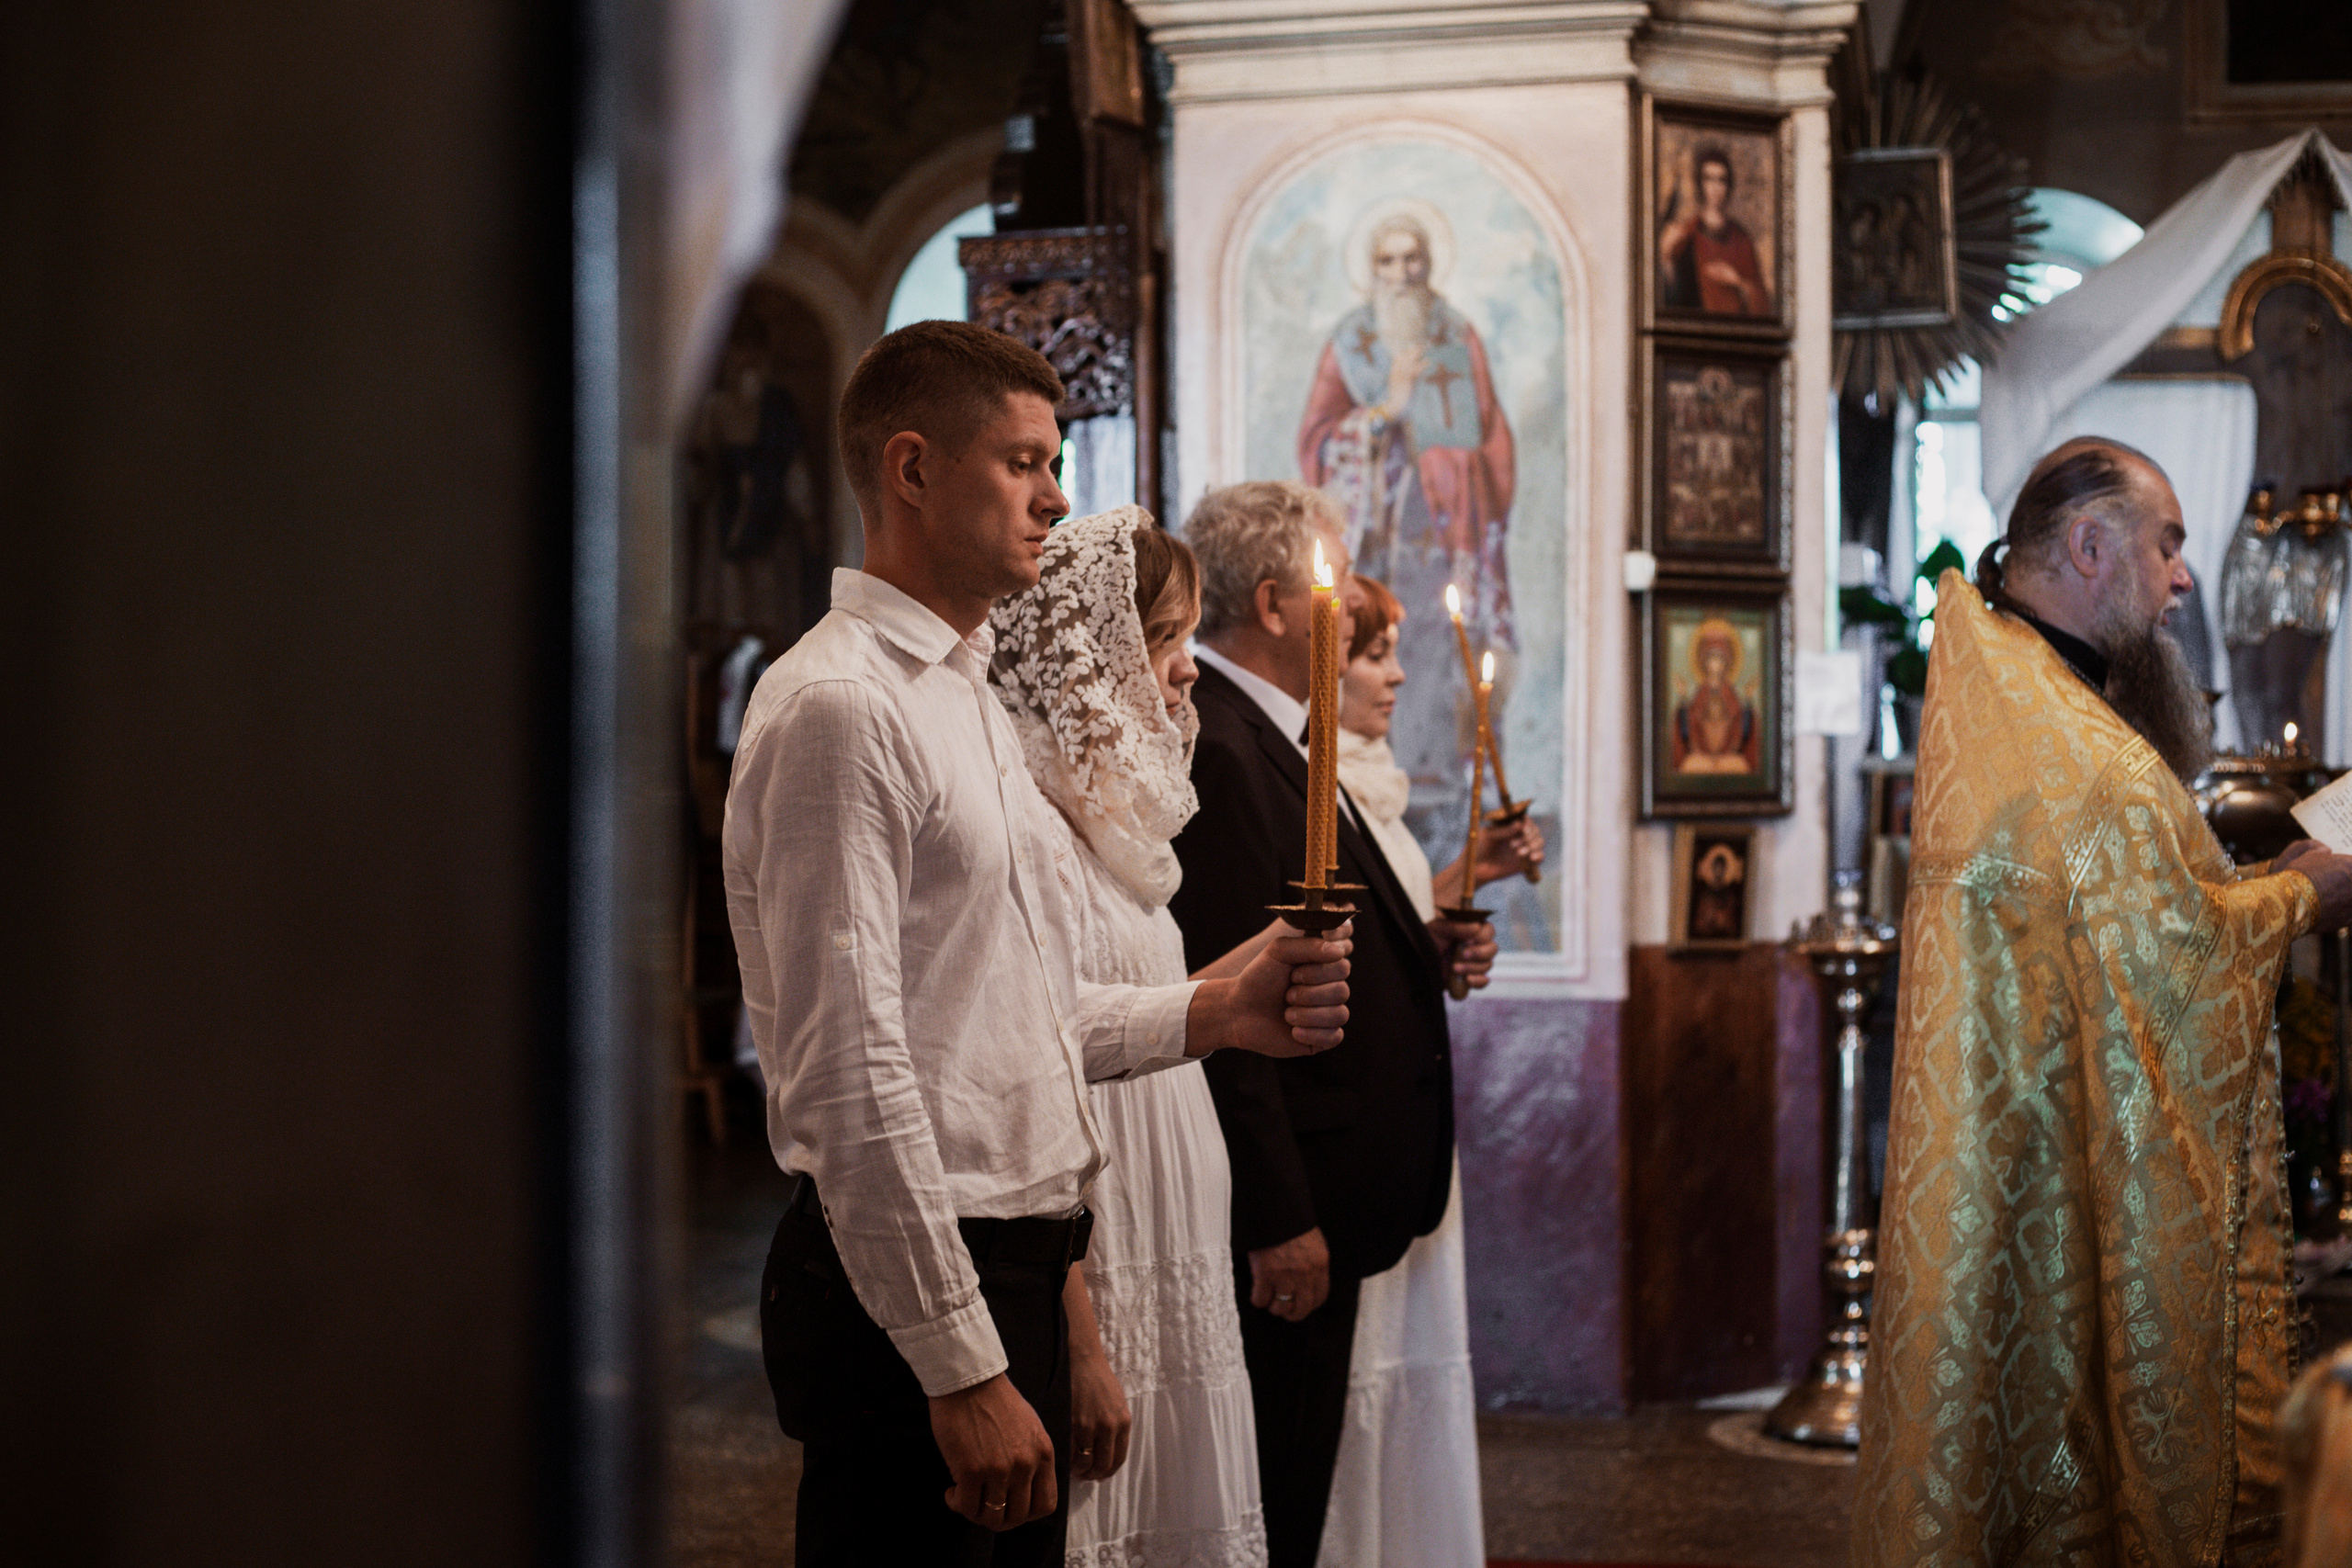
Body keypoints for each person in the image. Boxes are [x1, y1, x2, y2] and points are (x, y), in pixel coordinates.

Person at [724, 321, 1354, 1568]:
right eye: (1023, 462)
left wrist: (1213, 1008)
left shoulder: (956, 686)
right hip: (912, 1279)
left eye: (1053, 460)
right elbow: (856, 1078)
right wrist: (961, 1363)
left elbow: (1011, 1020)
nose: (1057, 497)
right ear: (911, 469)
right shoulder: (843, 706)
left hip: (1013, 1257)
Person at [1853, 436, 2352, 1568]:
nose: (2182, 577)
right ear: (2088, 544)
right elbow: (2180, 966)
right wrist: (2304, 891)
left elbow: (2135, 933)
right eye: (2167, 543)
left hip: (2022, 1161)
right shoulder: (2075, 753)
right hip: (2048, 1175)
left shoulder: (2002, 688)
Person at [1169, 479, 1498, 1568]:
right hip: (1293, 1197)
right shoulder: (1221, 745)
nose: (1350, 605)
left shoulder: (1285, 736)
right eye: (1330, 581)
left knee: (1299, 1485)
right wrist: (1276, 1215)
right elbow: (1225, 1008)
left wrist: (1423, 946)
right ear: (1272, 604)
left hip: (1334, 1185)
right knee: (1275, 1487)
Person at [986, 508, 1269, 1567]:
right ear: (1089, 656)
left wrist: (1261, 957)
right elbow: (1032, 1073)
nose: (1186, 671)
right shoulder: (1036, 835)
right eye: (1162, 640)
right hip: (1099, 1241)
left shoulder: (1115, 829)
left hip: (1173, 1223)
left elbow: (1135, 1014)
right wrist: (1082, 1345)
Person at [1317, 576, 1540, 1567]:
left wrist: (1460, 898)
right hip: (1357, 1133)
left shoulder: (1372, 785)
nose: (1397, 674)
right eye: (1371, 654)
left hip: (1409, 1131)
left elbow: (1388, 933)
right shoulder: (1311, 784)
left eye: (1394, 650)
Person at [1296, 210, 1515, 849]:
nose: (1401, 273)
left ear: (1428, 262)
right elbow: (1315, 439)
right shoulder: (1350, 339)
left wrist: (1462, 474)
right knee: (1372, 648)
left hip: (1442, 530)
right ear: (1371, 269)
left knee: (1435, 647)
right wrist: (1383, 412)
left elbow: (1492, 430)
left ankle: (1438, 791)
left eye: (1412, 258)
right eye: (1387, 261)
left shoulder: (1457, 333)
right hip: (1373, 539)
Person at [1658, 142, 1769, 317]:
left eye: (1721, 180)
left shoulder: (1741, 239)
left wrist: (1737, 281)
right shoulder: (1688, 232)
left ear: (1728, 185)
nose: (1715, 187)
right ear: (1700, 183)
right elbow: (1672, 297)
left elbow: (1762, 304)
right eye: (1709, 179)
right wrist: (1666, 256)